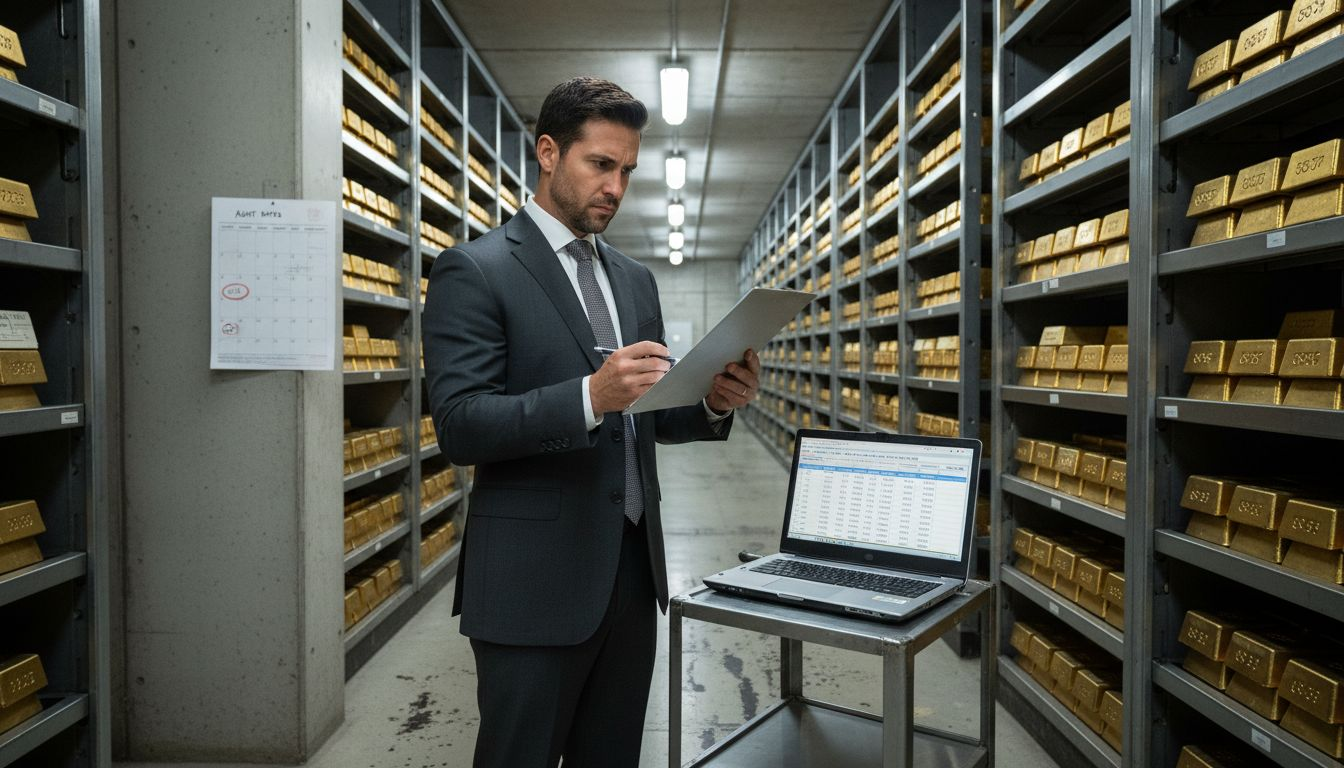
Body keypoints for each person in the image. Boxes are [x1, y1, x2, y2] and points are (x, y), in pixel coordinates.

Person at [422, 76, 761, 768]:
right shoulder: (476, 270)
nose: (615, 186)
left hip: (632, 579)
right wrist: (587, 397)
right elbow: (459, 425)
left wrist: (712, 402)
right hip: (532, 584)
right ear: (548, 153)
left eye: (627, 170)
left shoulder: (634, 280)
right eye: (599, 164)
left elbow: (645, 416)